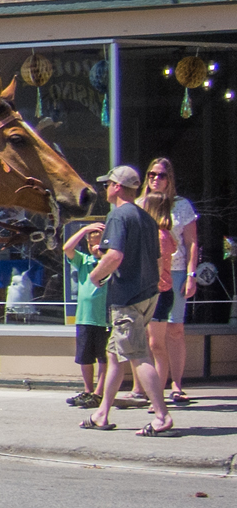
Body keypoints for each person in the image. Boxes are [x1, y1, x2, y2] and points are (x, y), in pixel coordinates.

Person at [82, 166, 171, 434]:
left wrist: (95, 277)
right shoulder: (146, 218)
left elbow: (115, 256)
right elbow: (157, 259)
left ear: (117, 187)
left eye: (107, 183)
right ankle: (102, 413)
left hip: (127, 299)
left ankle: (162, 417)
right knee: (115, 355)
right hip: (147, 295)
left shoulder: (118, 216)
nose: (105, 188)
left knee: (137, 355)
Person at [142, 157, 197, 405]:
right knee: (148, 334)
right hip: (146, 274)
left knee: (175, 329)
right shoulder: (140, 204)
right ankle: (148, 387)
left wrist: (191, 274)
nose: (155, 179)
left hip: (174, 272)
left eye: (161, 175)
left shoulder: (181, 206)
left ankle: (176, 384)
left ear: (169, 179)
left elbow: (191, 242)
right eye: (151, 174)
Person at [62, 223, 108, 408]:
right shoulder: (83, 261)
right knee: (85, 357)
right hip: (85, 318)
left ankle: (100, 392)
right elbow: (67, 248)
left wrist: (104, 253)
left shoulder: (111, 262)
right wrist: (84, 231)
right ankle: (88, 390)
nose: (94, 248)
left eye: (99, 244)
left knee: (104, 357)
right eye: (91, 245)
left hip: (105, 318)